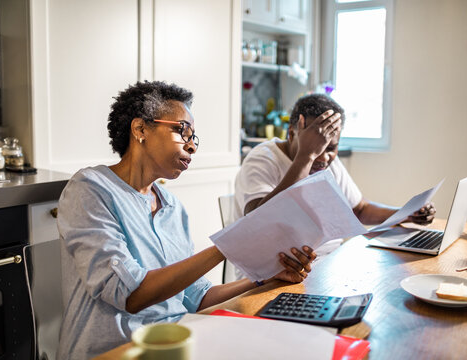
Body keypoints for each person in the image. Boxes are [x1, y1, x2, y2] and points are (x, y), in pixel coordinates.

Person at [56, 81, 316, 359]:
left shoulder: (173, 208)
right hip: (117, 351)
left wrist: (263, 278)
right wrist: (225, 247)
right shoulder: (90, 188)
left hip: (176, 345)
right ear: (140, 129)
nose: (192, 146)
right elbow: (131, 296)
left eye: (194, 137)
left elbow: (197, 297)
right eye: (182, 131)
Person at [234, 94, 435, 258]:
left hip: (326, 262)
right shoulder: (262, 160)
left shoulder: (329, 163)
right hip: (275, 272)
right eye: (315, 146)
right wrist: (306, 156)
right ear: (292, 133)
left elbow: (360, 210)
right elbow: (257, 221)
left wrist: (406, 213)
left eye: (331, 147)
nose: (323, 156)